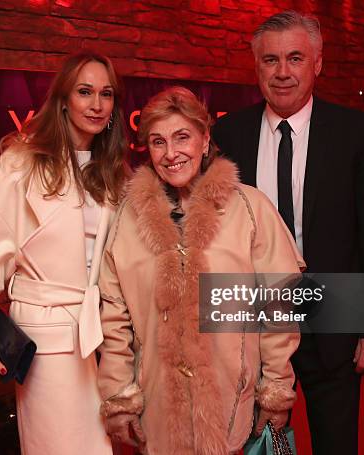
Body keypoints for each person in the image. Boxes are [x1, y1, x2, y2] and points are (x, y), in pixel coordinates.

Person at [213, 11, 364, 455]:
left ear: (317, 63)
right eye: (270, 60)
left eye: (295, 58)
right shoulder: (227, 134)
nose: (282, 72)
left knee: (336, 444)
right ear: (256, 65)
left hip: (331, 325)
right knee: (261, 446)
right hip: (254, 325)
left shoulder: (357, 132)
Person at [96, 86, 304, 454]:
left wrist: (275, 389)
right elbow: (115, 315)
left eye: (182, 137)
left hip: (232, 402)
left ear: (205, 140)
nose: (171, 153)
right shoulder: (128, 218)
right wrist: (119, 393)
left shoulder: (250, 208)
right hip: (160, 408)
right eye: (158, 142)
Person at [0, 52, 129, 455]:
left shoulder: (110, 171)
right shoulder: (23, 163)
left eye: (106, 94)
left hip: (99, 336)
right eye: (85, 92)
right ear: (63, 99)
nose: (97, 104)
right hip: (46, 340)